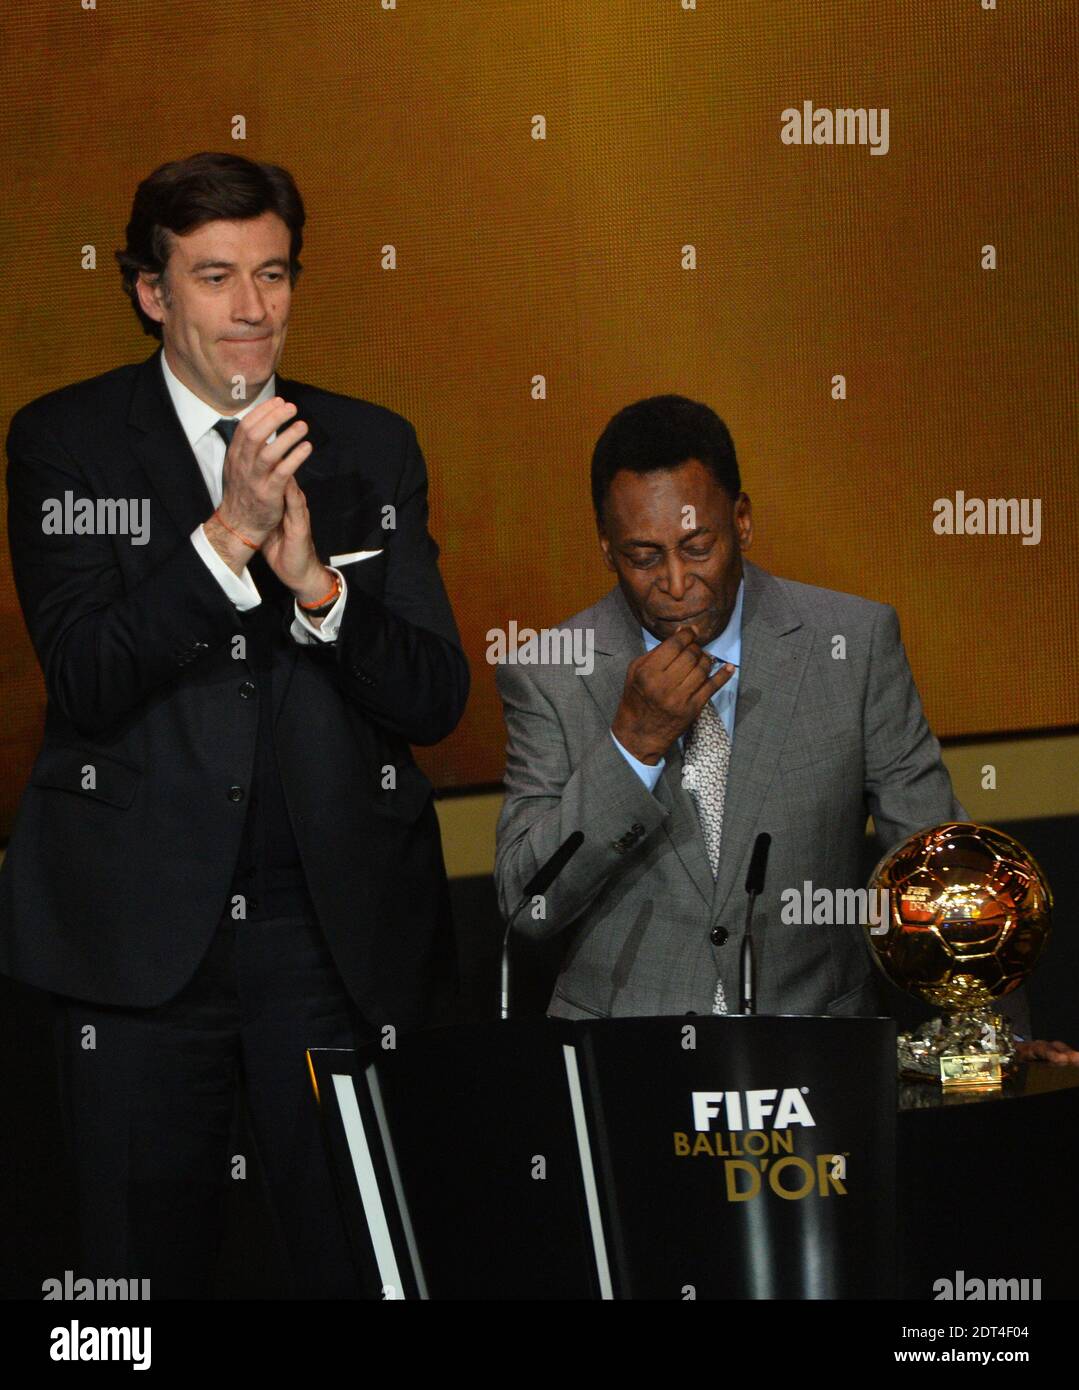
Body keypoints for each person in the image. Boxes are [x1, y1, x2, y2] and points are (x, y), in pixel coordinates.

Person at [0, 152, 469, 1297]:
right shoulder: (64, 442)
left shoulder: (369, 445)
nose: (251, 308)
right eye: (214, 277)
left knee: (361, 1266)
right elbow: (90, 675)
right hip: (137, 944)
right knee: (132, 1284)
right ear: (152, 292)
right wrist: (226, 540)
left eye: (271, 274)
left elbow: (435, 698)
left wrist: (321, 590)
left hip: (330, 938)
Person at [494, 395, 1073, 1063]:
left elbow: (935, 865)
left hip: (818, 1056)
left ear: (741, 521)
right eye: (643, 556)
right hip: (624, 1063)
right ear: (605, 548)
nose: (676, 582)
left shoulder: (852, 644)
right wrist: (633, 747)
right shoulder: (548, 672)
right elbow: (527, 906)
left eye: (697, 546)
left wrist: (997, 1041)